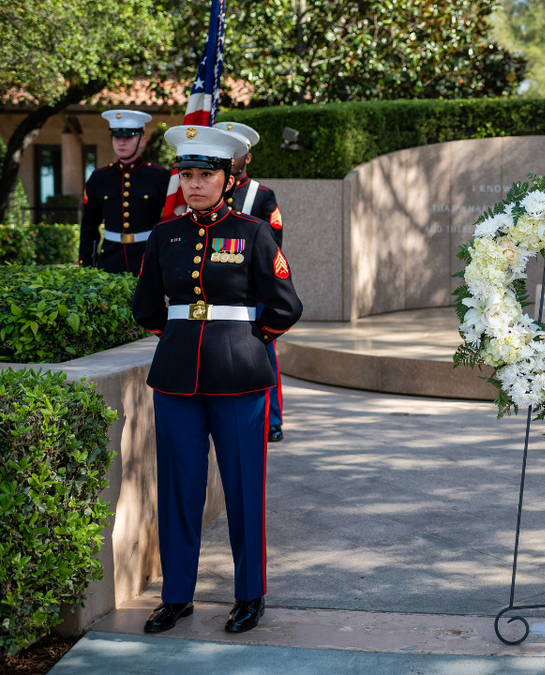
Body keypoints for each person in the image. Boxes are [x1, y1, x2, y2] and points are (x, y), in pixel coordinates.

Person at [132, 125, 302, 635]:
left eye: (206, 175)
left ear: (228, 179)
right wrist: (186, 333)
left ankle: (250, 593)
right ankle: (177, 595)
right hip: (177, 380)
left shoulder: (253, 233)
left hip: (240, 377)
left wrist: (246, 339)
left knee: (244, 489)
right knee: (178, 489)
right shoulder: (165, 236)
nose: (195, 184)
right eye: (187, 175)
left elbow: (284, 306)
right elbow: (147, 308)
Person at [220, 121, 285, 441]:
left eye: (238, 151)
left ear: (248, 156)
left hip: (253, 292)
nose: (232, 156)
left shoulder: (262, 195)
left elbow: (275, 247)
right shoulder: (208, 189)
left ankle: (271, 419)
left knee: (264, 353)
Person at [79, 110, 171, 274]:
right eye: (116, 137)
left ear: (142, 140)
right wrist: (86, 265)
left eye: (128, 137)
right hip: (109, 260)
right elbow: (89, 227)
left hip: (148, 258)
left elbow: (171, 221)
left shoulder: (159, 176)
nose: (121, 142)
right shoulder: (99, 177)